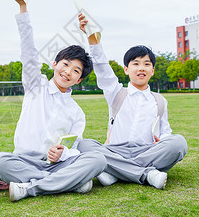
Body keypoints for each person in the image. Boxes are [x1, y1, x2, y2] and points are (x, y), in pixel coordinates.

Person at [0, 0, 107, 202]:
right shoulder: (36, 85)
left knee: (98, 160)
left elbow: (74, 146)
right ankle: (69, 183)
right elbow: (29, 51)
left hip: (59, 164)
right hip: (24, 161)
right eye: (65, 64)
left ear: (79, 80)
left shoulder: (76, 112)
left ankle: (31, 188)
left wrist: (63, 154)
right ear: (54, 64)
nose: (67, 72)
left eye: (75, 71)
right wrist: (23, 8)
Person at [76, 14, 187, 190]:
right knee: (83, 145)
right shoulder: (116, 92)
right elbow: (102, 68)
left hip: (145, 152)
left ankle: (114, 171)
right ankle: (146, 174)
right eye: (135, 63)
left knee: (179, 142)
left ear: (152, 70)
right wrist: (92, 37)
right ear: (127, 69)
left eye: (146, 64)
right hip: (114, 150)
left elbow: (165, 131)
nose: (141, 68)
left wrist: (163, 140)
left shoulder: (159, 100)